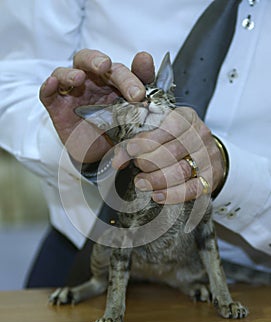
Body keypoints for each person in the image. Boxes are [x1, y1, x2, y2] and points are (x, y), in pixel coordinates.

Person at [0, 0, 270, 287]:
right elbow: (13, 77)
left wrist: (233, 175)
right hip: (91, 255)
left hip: (255, 280)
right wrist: (89, 151)